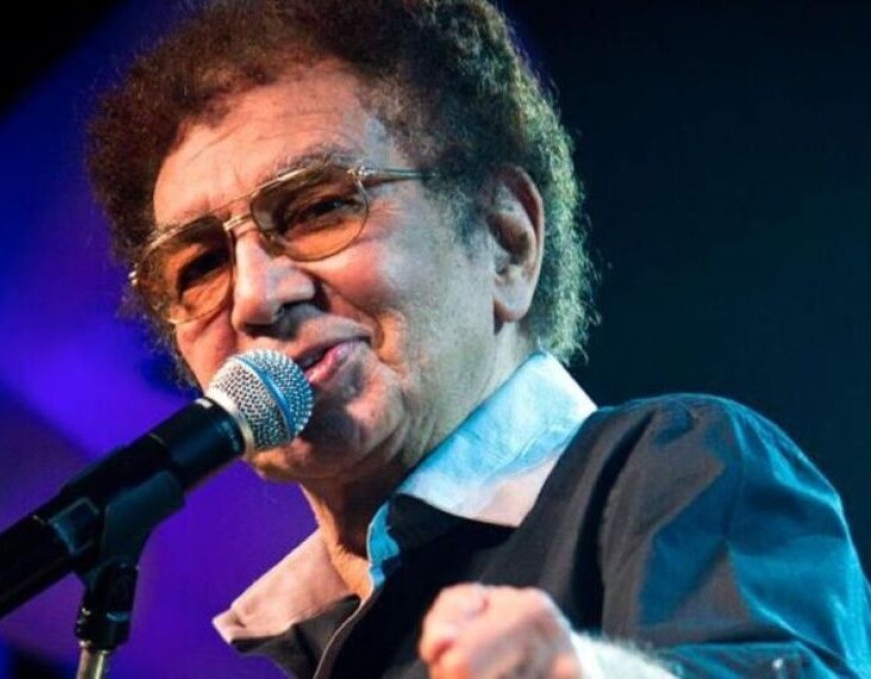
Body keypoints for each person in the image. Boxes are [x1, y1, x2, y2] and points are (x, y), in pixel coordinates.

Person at [86, 0, 871, 676]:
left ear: (506, 241)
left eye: (320, 208)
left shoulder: (682, 465)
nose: (257, 296)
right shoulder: (299, 636)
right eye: (200, 265)